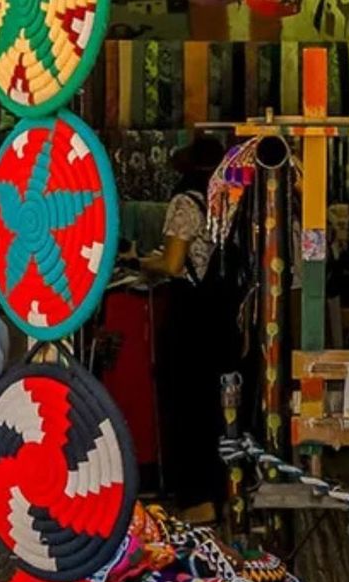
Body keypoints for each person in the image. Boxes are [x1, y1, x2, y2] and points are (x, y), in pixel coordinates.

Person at [139, 134, 229, 524]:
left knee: (186, 402)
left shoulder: (185, 201)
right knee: (216, 405)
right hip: (223, 312)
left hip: (190, 313)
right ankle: (222, 491)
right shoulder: (230, 202)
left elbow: (174, 264)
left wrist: (145, 262)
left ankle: (197, 500)